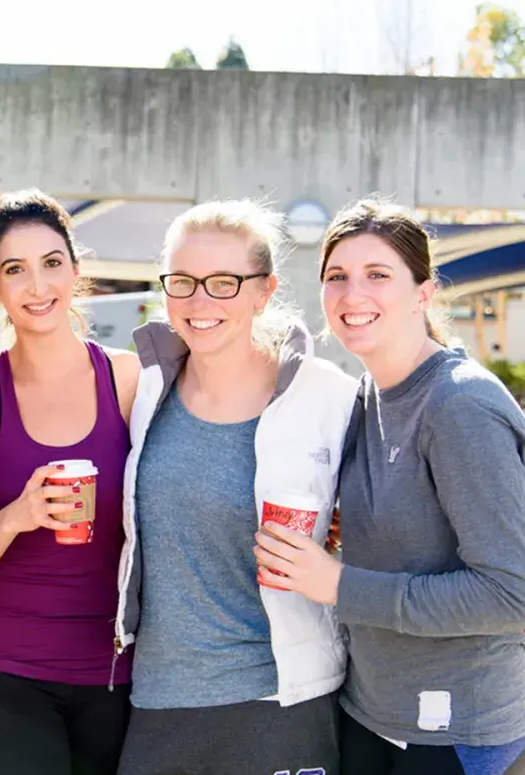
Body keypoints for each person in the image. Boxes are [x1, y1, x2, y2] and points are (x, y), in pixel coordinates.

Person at [255, 197, 525, 775]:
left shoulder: (460, 406)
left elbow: (512, 594)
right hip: (373, 711)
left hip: (454, 731)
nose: (353, 296)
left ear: (423, 293)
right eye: (337, 277)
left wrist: (339, 583)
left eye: (378, 275)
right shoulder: (366, 395)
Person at [115, 199, 359, 775]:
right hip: (159, 701)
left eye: (224, 282)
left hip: (279, 702)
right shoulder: (142, 391)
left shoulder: (330, 399)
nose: (199, 302)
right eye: (183, 281)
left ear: (264, 290)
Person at [0, 189, 140, 775]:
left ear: (75, 270)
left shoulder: (129, 380)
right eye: (14, 270)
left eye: (52, 263)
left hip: (118, 670)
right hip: (6, 673)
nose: (37, 285)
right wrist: (18, 515)